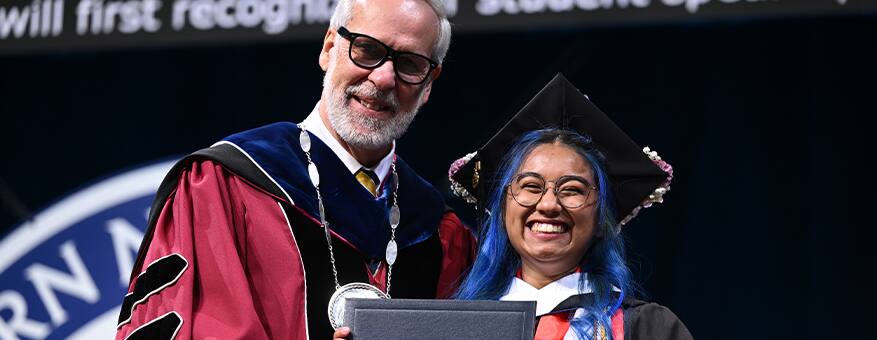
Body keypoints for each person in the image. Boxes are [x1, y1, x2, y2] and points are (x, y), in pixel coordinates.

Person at [114, 0, 476, 339]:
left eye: (410, 64)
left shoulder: (439, 234)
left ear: (429, 84)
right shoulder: (223, 186)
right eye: (367, 49)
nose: (383, 78)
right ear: (329, 47)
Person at [449, 74, 693, 339]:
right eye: (531, 186)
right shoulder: (460, 327)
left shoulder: (648, 329)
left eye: (572, 190)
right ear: (503, 210)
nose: (549, 204)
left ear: (602, 218)